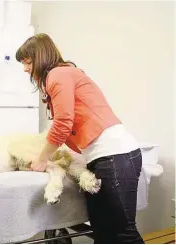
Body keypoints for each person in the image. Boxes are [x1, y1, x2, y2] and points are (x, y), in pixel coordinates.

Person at [15, 33, 144, 244]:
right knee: (103, 232)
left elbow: (63, 122)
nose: (25, 69)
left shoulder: (58, 75)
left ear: (40, 57)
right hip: (102, 158)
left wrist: (42, 159)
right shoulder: (63, 75)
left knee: (123, 233)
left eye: (27, 62)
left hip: (116, 155)